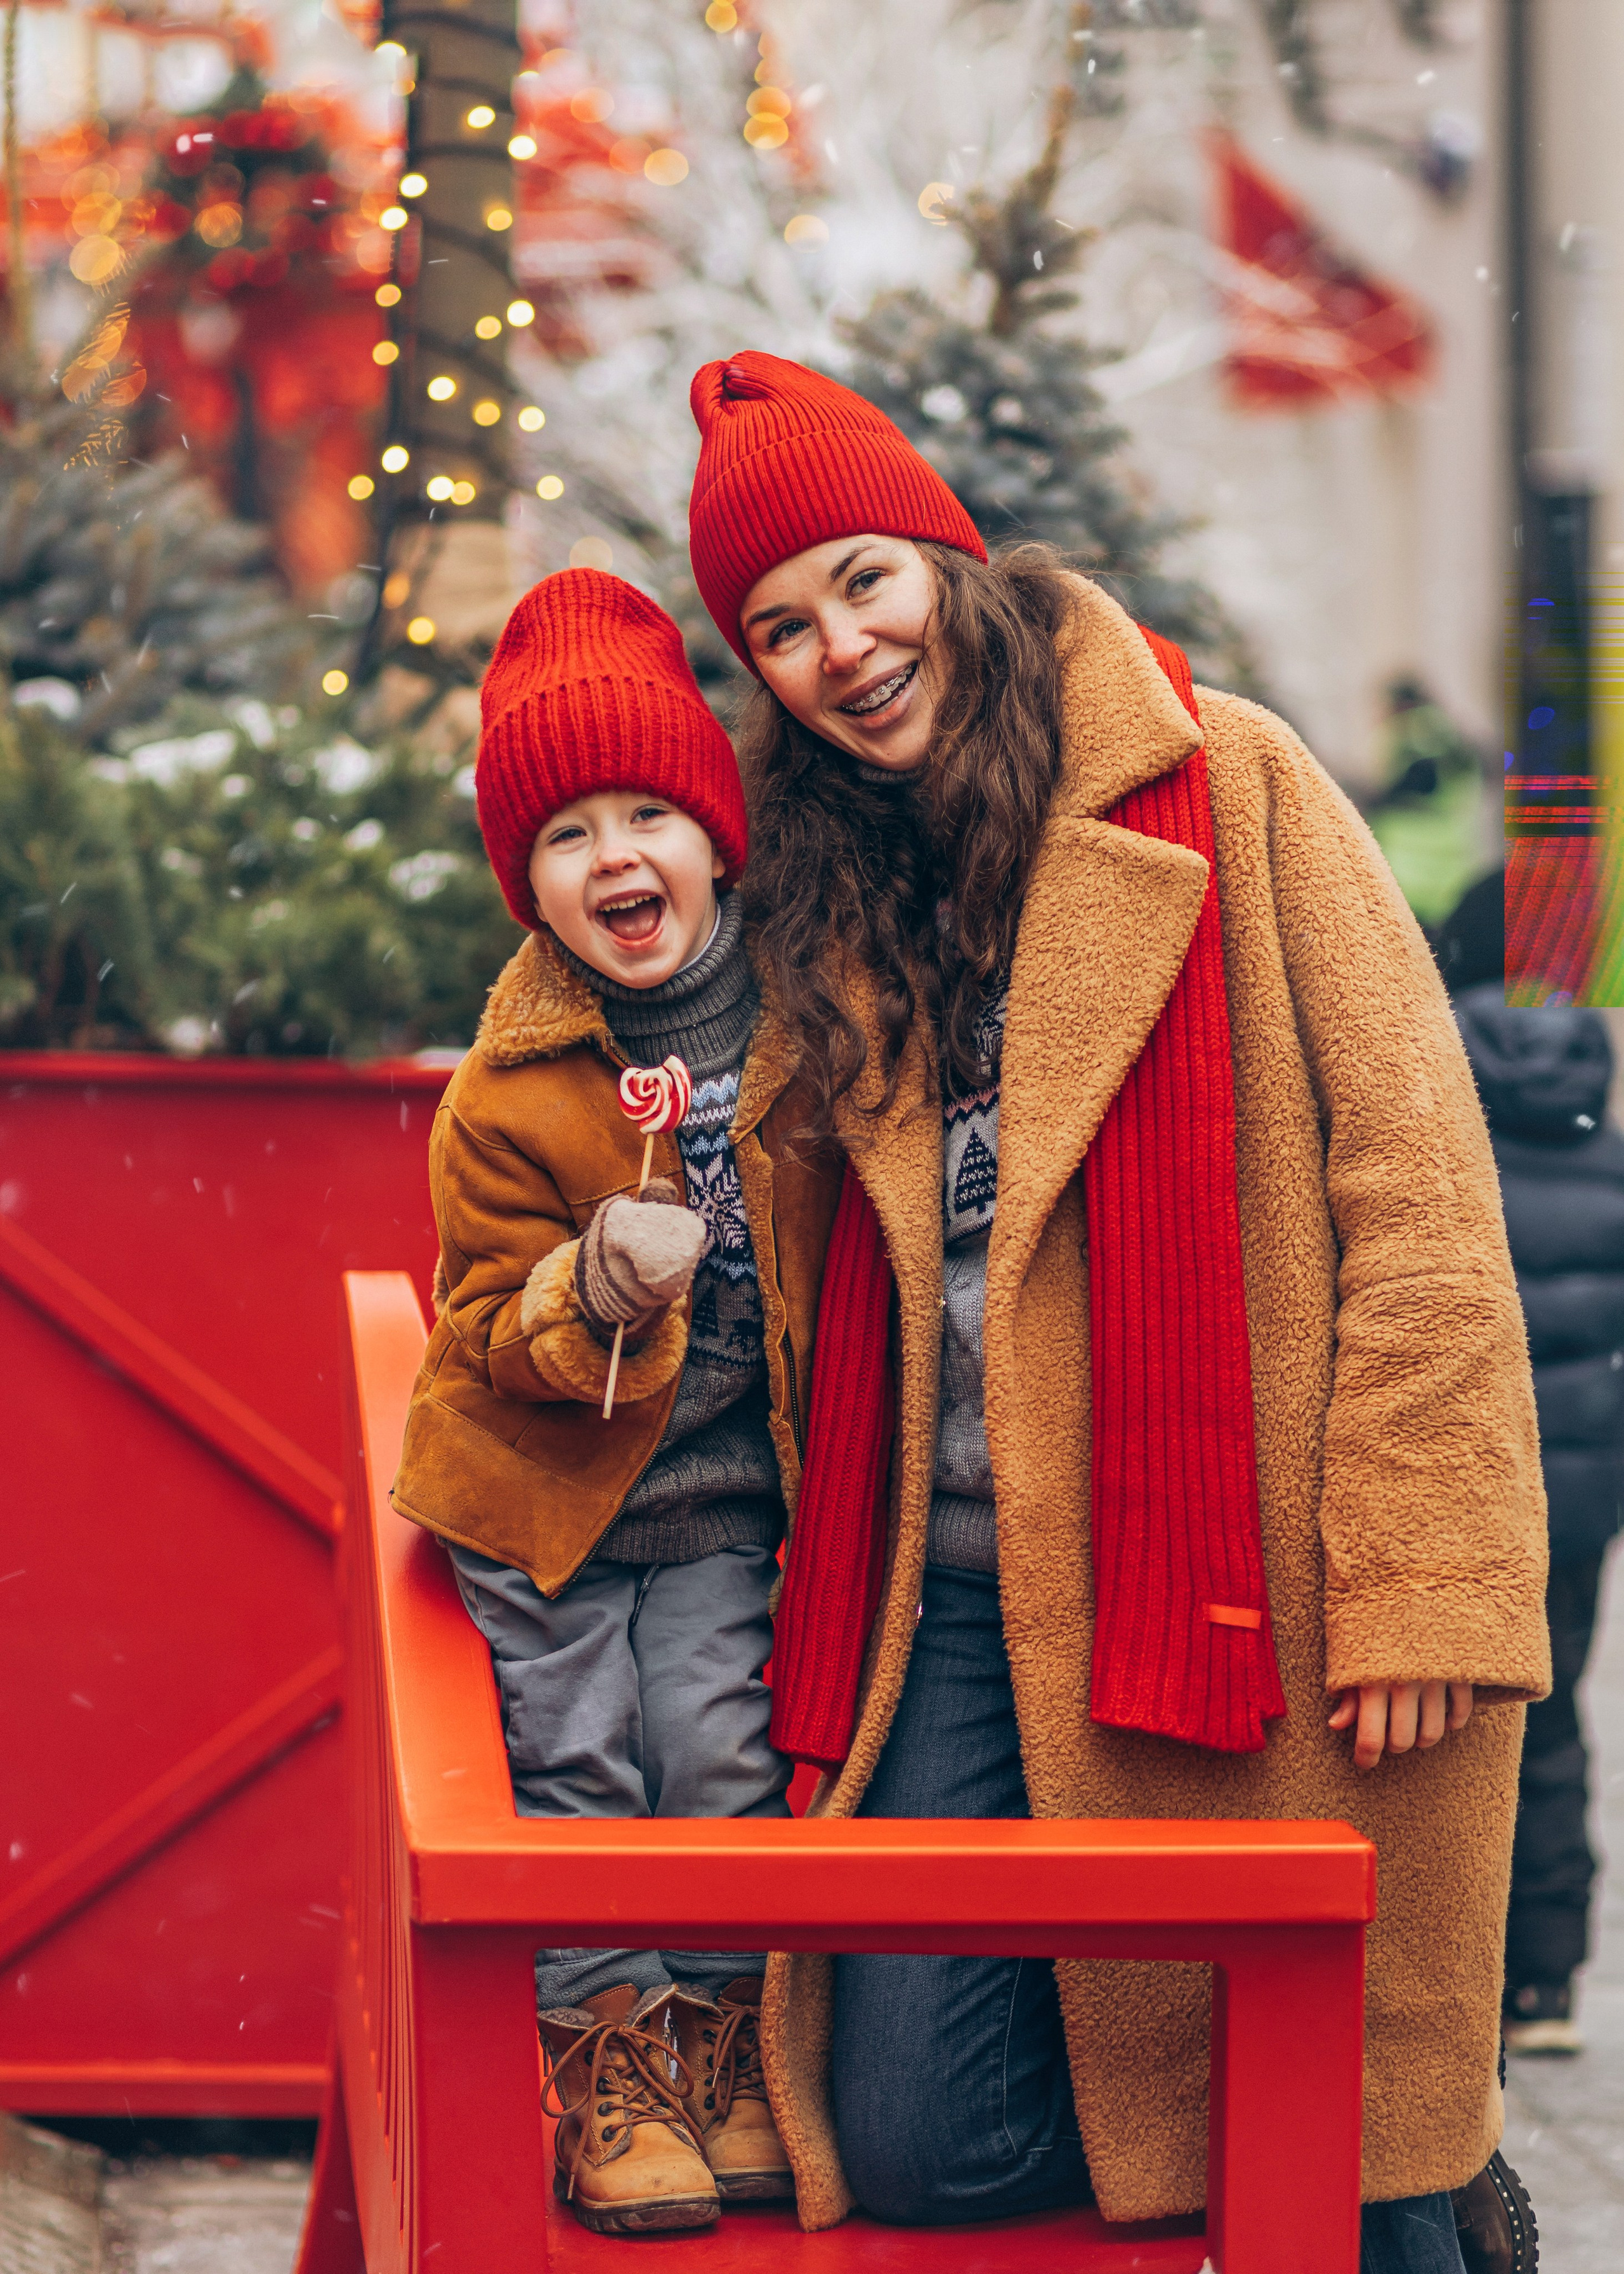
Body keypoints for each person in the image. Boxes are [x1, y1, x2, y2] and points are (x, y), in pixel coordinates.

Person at [684, 352, 1549, 2274]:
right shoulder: (827, 900)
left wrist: (1422, 1570)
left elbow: (1416, 1181)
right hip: (965, 1605)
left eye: (862, 582)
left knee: (1339, 2151)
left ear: (945, 561)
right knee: (909, 2138)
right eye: (780, 626)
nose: (840, 646)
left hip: (1247, 1569)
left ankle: (1430, 2205)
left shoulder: (1217, 773)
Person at [391, 568, 841, 2235]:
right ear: (532, 887)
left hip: (717, 1501)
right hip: (547, 1509)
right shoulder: (511, 1091)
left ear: (719, 840)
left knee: (717, 1761)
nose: (616, 859)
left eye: (648, 812)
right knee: (583, 1774)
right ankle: (612, 2067)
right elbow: (490, 1327)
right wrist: (601, 1285)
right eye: (568, 837)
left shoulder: (811, 1022)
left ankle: (724, 2051)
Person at [1453, 984, 1624, 2055]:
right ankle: (1548, 1980)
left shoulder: (1462, 1154)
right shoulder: (1614, 1161)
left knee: (1471, 1725)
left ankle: (1469, 1974)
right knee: (1556, 1713)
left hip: (1480, 1478)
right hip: (1585, 1495)